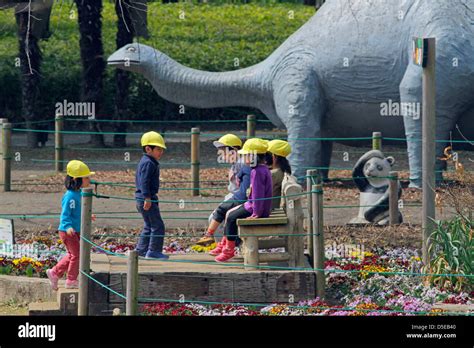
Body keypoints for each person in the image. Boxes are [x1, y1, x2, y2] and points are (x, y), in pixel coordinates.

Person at [213, 138, 272, 262]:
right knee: (229, 213)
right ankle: (226, 244)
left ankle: (229, 249)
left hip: (256, 208)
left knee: (231, 216)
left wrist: (256, 213)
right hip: (254, 205)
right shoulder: (260, 169)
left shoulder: (257, 172)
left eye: (245, 155)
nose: (243, 158)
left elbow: (258, 195)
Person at [195, 134, 251, 247]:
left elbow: (243, 190)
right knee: (217, 216)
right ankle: (226, 246)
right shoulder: (237, 163)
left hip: (239, 198)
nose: (219, 154)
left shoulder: (242, 164)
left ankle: (226, 247)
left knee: (215, 218)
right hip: (234, 197)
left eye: (223, 151)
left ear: (233, 151)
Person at [46, 160, 95, 290]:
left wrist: (88, 215)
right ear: (76, 179)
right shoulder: (70, 196)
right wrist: (68, 226)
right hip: (68, 231)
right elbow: (65, 214)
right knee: (76, 254)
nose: (89, 180)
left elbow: (78, 210)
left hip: (76, 230)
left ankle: (55, 272)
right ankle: (71, 280)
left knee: (72, 254)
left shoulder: (79, 193)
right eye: (86, 177)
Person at [135, 131, 169, 260]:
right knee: (157, 225)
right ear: (148, 149)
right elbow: (144, 181)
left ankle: (141, 250)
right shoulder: (149, 163)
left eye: (161, 149)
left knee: (148, 225)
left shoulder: (147, 161)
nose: (161, 152)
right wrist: (147, 198)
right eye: (158, 149)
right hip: (146, 198)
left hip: (142, 198)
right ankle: (154, 251)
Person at [266, 139, 292, 209]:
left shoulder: (272, 175)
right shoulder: (283, 171)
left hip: (269, 210)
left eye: (267, 154)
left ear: (274, 157)